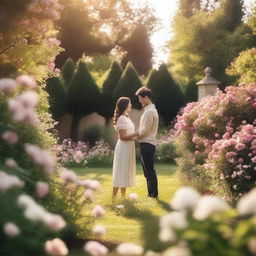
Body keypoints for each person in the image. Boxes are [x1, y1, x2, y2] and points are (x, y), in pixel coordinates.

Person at [112, 97, 138, 201]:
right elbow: (122, 137)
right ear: (125, 105)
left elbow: (128, 134)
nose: (131, 105)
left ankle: (123, 197)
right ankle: (113, 198)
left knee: (125, 172)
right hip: (124, 147)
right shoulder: (122, 118)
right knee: (120, 172)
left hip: (129, 146)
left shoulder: (126, 117)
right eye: (130, 103)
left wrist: (137, 136)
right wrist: (136, 134)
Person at [135, 87, 159, 198]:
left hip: (147, 144)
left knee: (149, 171)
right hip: (147, 143)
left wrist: (132, 136)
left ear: (146, 97)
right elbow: (143, 130)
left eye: (140, 98)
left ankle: (153, 194)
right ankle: (151, 193)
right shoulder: (150, 110)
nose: (139, 101)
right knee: (147, 172)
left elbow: (145, 130)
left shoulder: (149, 111)